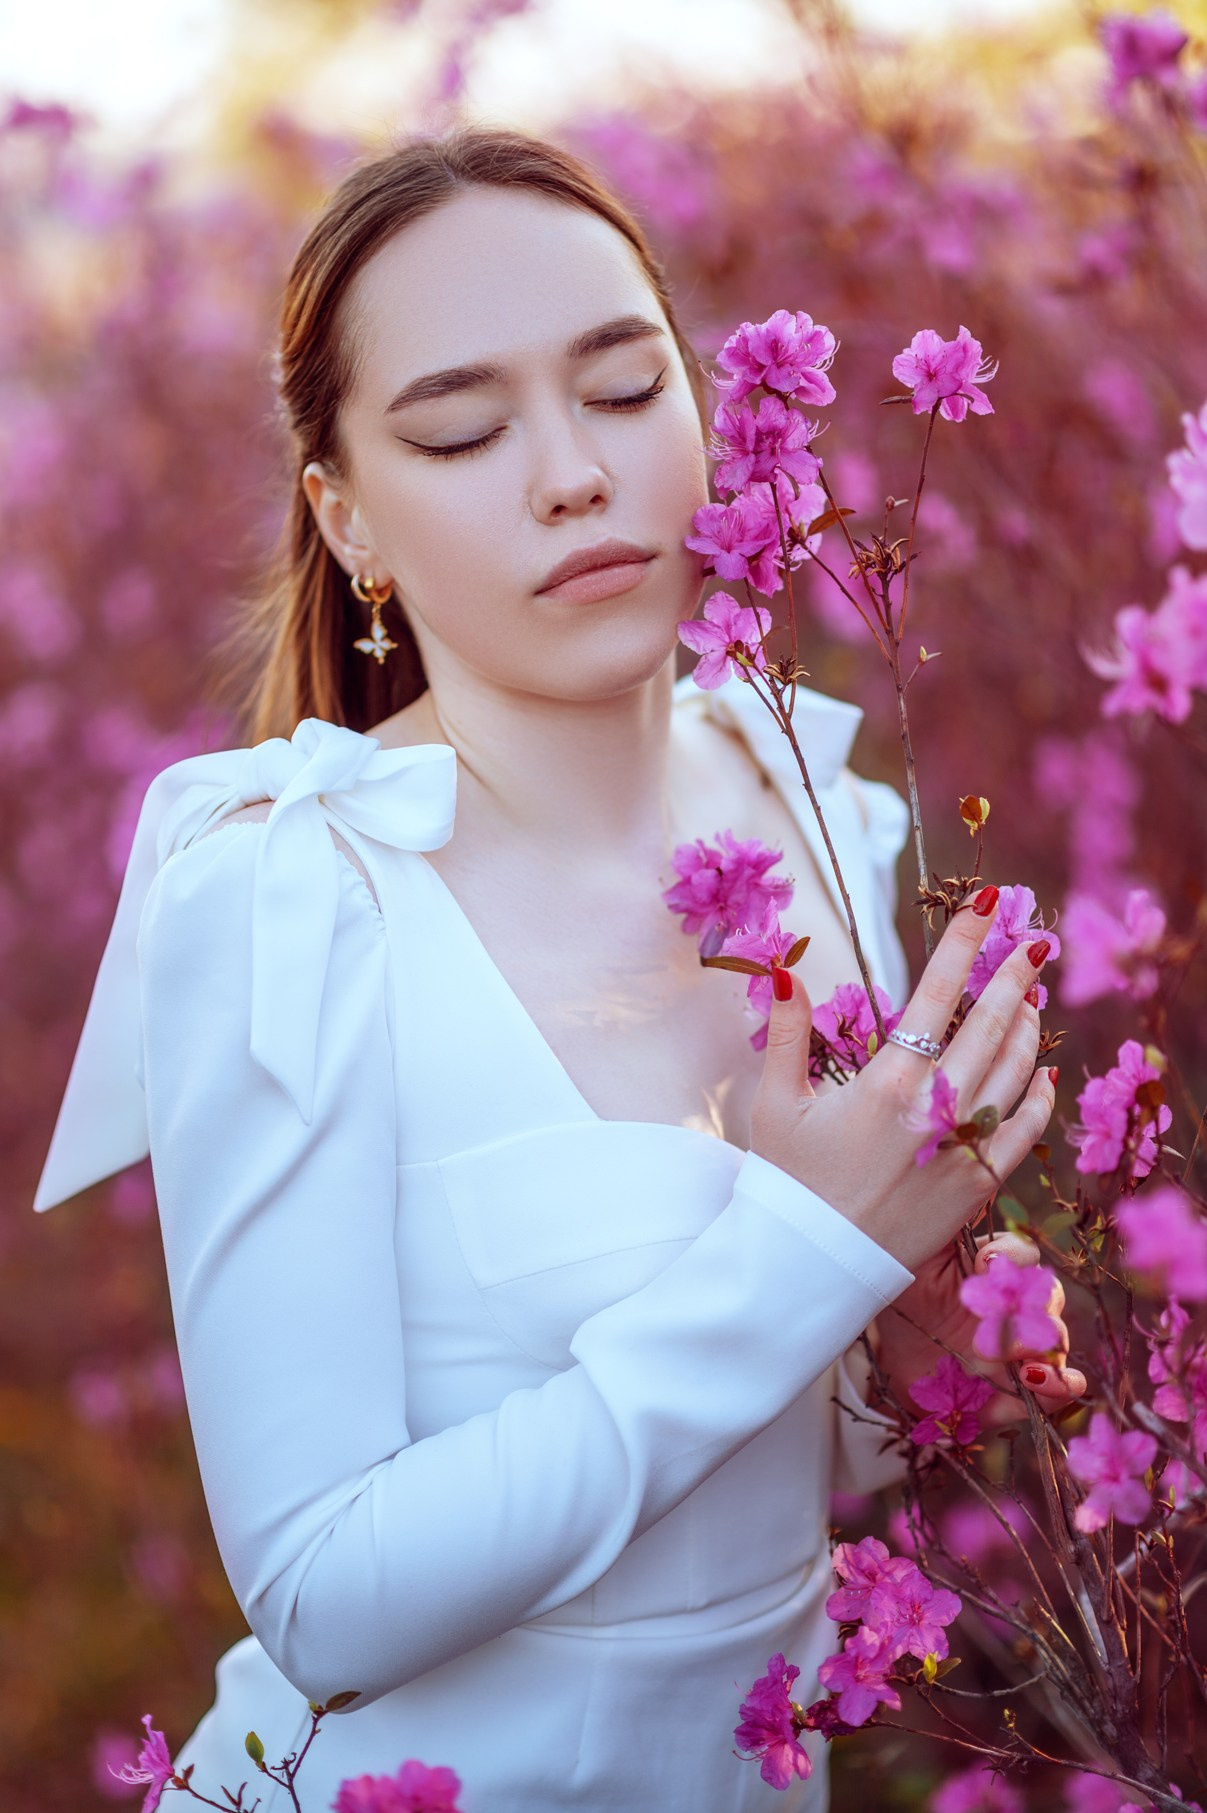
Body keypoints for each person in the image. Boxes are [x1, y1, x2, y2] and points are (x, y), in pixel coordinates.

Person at [32, 127, 1083, 1811]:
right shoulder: (292, 896)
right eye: (460, 426)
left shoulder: (817, 801)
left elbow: (825, 1457)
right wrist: (803, 1250)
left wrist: (961, 1307)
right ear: (347, 515)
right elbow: (320, 1599)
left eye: (619, 386)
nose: (571, 475)